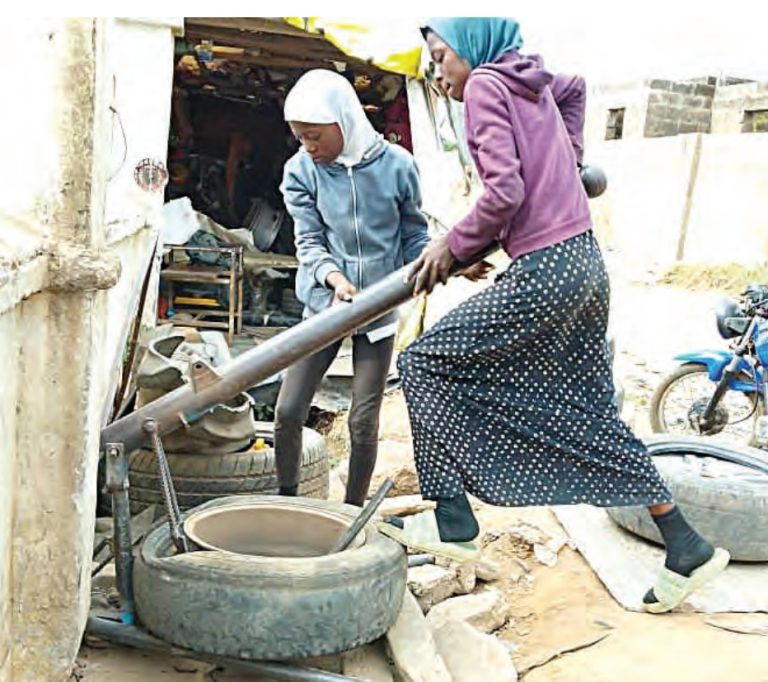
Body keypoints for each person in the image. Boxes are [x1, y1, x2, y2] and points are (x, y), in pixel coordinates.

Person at [380, 17, 728, 613]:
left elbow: (504, 194)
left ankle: (452, 518)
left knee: (423, 363)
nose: (437, 73)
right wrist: (569, 154)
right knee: (589, 412)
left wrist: (451, 247)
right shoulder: (527, 82)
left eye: (440, 58)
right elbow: (575, 86)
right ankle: (685, 544)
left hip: (546, 270)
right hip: (585, 267)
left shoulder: (487, 86)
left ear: (470, 48)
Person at [275, 69, 430, 507]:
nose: (309, 146)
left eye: (315, 136)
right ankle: (286, 500)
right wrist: (334, 278)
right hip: (327, 302)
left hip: (380, 305)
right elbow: (307, 239)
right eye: (301, 137)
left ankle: (351, 511)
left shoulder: (399, 167)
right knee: (288, 412)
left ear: (344, 121)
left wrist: (423, 268)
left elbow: (414, 234)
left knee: (363, 421)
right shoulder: (300, 171)